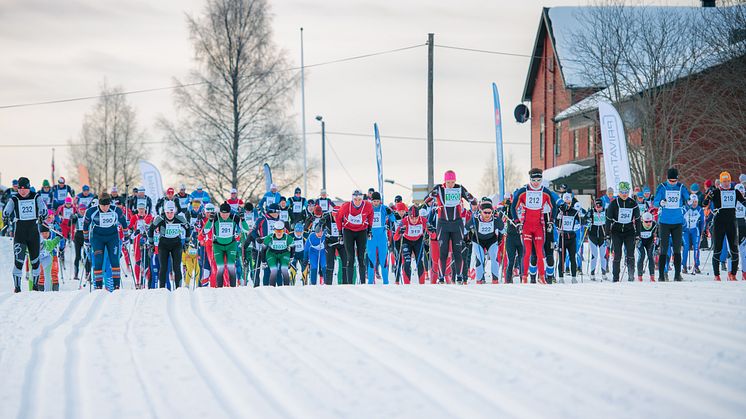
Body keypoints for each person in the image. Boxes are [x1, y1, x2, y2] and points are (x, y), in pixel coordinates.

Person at [423, 170, 477, 284]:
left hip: (457, 224)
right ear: (445, 181)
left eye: (452, 182)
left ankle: (459, 277)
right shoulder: (439, 189)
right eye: (448, 182)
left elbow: (473, 200)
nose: (451, 184)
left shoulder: (459, 188)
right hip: (443, 224)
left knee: (457, 252)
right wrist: (432, 195)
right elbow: (425, 200)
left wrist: (471, 199)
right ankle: (441, 277)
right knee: (443, 252)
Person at [3, 177, 48, 292]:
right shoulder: (14, 198)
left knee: (35, 262)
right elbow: (7, 209)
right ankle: (17, 288)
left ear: (28, 188)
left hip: (33, 234)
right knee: (19, 262)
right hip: (20, 234)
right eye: (20, 188)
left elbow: (43, 208)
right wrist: (6, 215)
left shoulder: (35, 196)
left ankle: (35, 286)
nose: (22, 191)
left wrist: (43, 213)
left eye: (24, 188)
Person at [511, 168, 554, 284]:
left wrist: (551, 221)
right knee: (528, 252)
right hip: (526, 227)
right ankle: (524, 277)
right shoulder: (523, 191)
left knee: (540, 253)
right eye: (533, 180)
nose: (536, 182)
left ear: (542, 180)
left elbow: (553, 206)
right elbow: (513, 206)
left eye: (538, 180)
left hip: (539, 227)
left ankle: (542, 277)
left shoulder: (545, 192)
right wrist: (517, 222)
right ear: (529, 179)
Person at [702, 172, 746, 281]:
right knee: (718, 249)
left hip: (731, 222)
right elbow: (703, 203)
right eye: (724, 182)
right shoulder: (716, 192)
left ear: (730, 181)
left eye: (728, 181)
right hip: (719, 223)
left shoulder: (735, 192)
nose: (726, 184)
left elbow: (744, 202)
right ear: (720, 182)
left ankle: (733, 274)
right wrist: (709, 196)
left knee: (734, 249)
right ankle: (717, 275)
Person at [84, 193, 128, 290]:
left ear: (110, 203)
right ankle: (98, 286)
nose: (105, 208)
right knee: (98, 261)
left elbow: (124, 223)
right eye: (103, 206)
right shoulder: (91, 211)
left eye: (107, 205)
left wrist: (126, 237)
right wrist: (86, 240)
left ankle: (116, 286)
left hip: (112, 237)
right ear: (99, 204)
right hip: (97, 238)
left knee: (114, 261)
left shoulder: (116, 210)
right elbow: (85, 226)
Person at [653, 167, 691, 281]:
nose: (673, 183)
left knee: (677, 249)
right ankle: (661, 275)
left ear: (677, 179)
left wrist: (685, 208)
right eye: (671, 181)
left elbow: (688, 201)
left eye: (674, 181)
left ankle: (677, 275)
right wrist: (660, 203)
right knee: (663, 249)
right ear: (667, 179)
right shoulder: (662, 187)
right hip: (664, 222)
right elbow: (655, 203)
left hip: (677, 222)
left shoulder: (681, 187)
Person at [203, 202, 249, 287]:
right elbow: (205, 230)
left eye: (226, 214)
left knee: (231, 266)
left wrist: (242, 219)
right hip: (217, 246)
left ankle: (232, 288)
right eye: (222, 214)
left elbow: (246, 230)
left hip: (231, 245)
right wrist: (210, 220)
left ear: (229, 212)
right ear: (219, 212)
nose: (224, 216)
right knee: (220, 267)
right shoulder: (216, 217)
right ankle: (219, 288)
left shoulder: (234, 217)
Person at [148, 201, 191, 289]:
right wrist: (151, 244)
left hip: (176, 244)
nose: (170, 215)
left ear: (174, 211)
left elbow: (188, 228)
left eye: (171, 212)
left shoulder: (180, 218)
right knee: (163, 267)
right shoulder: (160, 219)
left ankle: (178, 288)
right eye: (168, 212)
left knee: (176, 267)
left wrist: (186, 242)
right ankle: (162, 289)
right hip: (163, 244)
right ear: (165, 211)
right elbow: (151, 230)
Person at [337, 190, 374, 285]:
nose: (357, 201)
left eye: (359, 199)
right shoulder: (346, 206)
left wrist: (369, 230)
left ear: (362, 199)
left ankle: (362, 282)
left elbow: (370, 217)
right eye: (355, 199)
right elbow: (338, 218)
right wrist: (340, 233)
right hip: (348, 231)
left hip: (361, 231)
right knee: (350, 257)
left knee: (361, 257)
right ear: (352, 199)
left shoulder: (368, 206)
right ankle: (350, 283)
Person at [606, 181, 641, 282]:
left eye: (626, 192)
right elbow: (608, 220)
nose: (624, 194)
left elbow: (638, 220)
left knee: (630, 254)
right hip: (616, 231)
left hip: (629, 231)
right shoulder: (613, 204)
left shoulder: (633, 203)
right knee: (617, 255)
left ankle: (631, 275)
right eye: (622, 192)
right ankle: (615, 277)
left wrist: (638, 235)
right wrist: (607, 235)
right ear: (619, 192)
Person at [469, 201, 504, 284]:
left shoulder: (496, 220)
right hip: (478, 241)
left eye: (490, 212)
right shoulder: (475, 219)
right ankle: (479, 279)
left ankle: (495, 279)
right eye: (485, 212)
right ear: (481, 212)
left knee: (494, 257)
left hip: (491, 240)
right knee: (480, 259)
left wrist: (499, 239)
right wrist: (468, 239)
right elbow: (467, 229)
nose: (487, 215)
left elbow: (502, 230)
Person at [393, 205, 428, 284]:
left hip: (418, 241)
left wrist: (431, 231)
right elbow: (395, 238)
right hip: (407, 241)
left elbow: (433, 235)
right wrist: (399, 232)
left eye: (416, 218)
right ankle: (407, 284)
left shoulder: (423, 220)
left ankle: (422, 285)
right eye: (412, 218)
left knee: (419, 263)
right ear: (408, 216)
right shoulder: (404, 221)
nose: (414, 220)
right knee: (407, 262)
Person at [556, 193, 583, 283]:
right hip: (562, 238)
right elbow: (556, 223)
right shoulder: (560, 210)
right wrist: (558, 217)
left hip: (571, 238)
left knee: (572, 257)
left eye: (569, 203)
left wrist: (583, 218)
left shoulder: (574, 211)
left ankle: (574, 277)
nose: (567, 205)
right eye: (566, 203)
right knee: (562, 258)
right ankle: (561, 277)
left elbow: (580, 222)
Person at [367, 191, 393, 285]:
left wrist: (390, 214)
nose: (376, 203)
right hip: (371, 238)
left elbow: (393, 219)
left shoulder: (384, 208)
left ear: (380, 201)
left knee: (383, 260)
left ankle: (386, 282)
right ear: (371, 201)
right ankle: (370, 282)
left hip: (382, 237)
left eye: (378, 201)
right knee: (371, 261)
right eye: (374, 201)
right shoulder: (368, 208)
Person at [128, 202, 154, 288]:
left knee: (148, 261)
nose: (141, 211)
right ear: (137, 209)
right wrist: (134, 233)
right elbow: (130, 232)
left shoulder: (149, 217)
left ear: (145, 209)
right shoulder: (134, 218)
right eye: (140, 209)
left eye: (143, 209)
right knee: (138, 261)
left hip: (147, 241)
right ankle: (138, 281)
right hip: (137, 241)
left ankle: (148, 281)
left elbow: (153, 228)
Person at [586, 198, 609, 281]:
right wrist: (587, 221)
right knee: (594, 255)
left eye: (599, 207)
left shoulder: (606, 212)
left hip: (603, 237)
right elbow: (585, 220)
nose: (598, 208)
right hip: (593, 236)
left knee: (603, 256)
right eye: (596, 206)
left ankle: (604, 273)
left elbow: (610, 221)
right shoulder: (591, 212)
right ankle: (592, 273)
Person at [682, 194, 705, 274]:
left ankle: (696, 265)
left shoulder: (699, 210)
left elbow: (702, 222)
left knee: (696, 247)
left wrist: (702, 232)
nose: (694, 203)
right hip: (685, 230)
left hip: (695, 230)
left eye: (696, 202)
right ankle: (684, 265)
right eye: (692, 202)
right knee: (686, 247)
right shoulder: (685, 209)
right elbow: (681, 220)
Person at [71, 204, 90, 281]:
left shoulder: (88, 216)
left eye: (84, 210)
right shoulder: (76, 216)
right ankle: (76, 274)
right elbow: (71, 224)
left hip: (86, 237)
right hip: (78, 236)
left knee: (86, 256)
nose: (82, 212)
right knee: (77, 256)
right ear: (78, 210)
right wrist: (72, 218)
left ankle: (87, 273)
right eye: (81, 210)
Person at [637, 212, 657, 282]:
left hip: (649, 241)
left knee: (650, 256)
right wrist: (636, 239)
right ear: (642, 221)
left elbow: (657, 235)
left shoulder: (654, 225)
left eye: (650, 221)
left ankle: (652, 276)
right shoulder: (638, 225)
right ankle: (639, 276)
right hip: (641, 241)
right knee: (642, 255)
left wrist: (656, 244)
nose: (648, 223)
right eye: (646, 222)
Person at [735, 184, 746, 280]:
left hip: (743, 226)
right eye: (740, 192)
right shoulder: (732, 201)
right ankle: (731, 273)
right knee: (733, 251)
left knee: (744, 251)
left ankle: (744, 273)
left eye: (743, 192)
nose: (741, 194)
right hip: (733, 225)